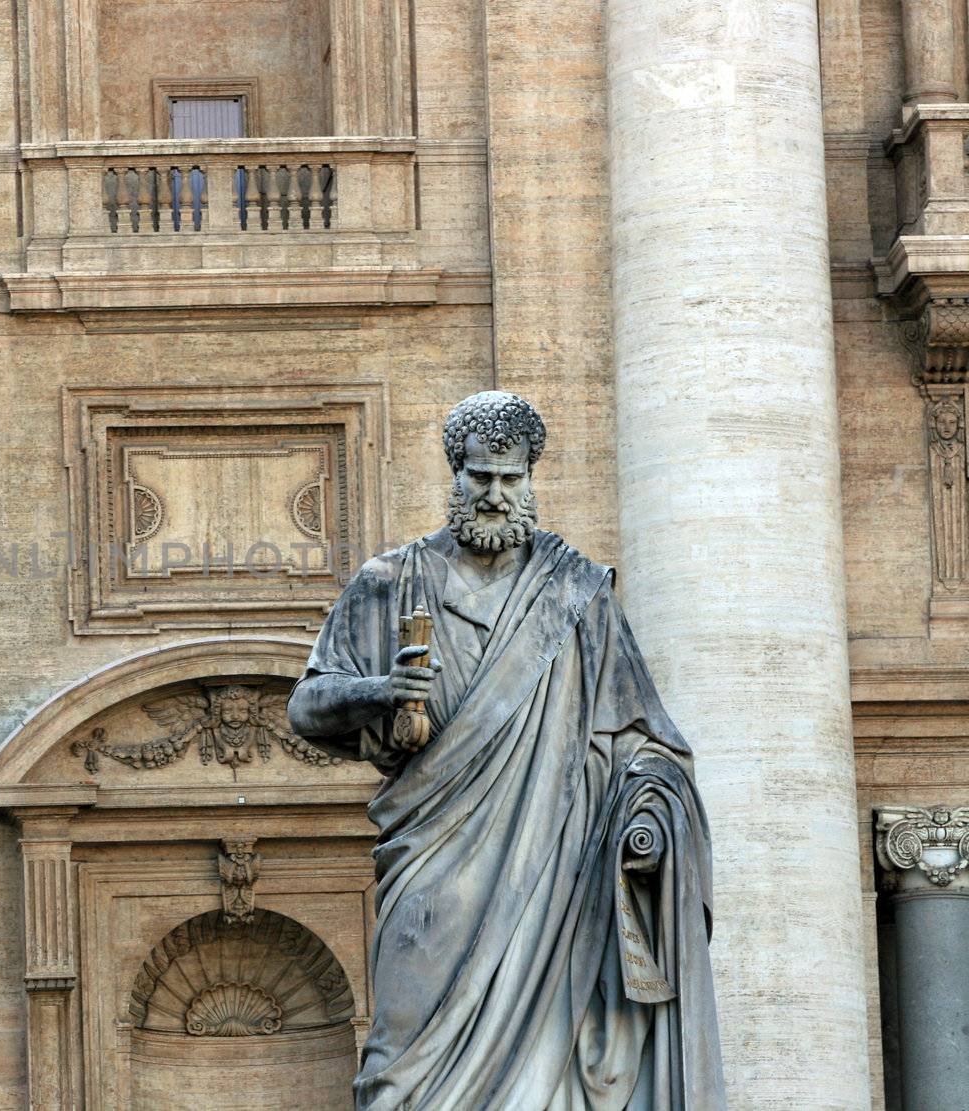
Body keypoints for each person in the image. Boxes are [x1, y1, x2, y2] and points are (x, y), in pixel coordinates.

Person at [289, 391, 725, 1110]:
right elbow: (306, 706)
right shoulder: (392, 581)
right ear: (454, 472)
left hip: (553, 874)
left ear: (531, 479)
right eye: (480, 477)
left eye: (511, 479)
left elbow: (646, 740)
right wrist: (380, 690)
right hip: (432, 868)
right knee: (398, 1072)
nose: (495, 495)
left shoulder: (578, 595)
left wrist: (648, 816)